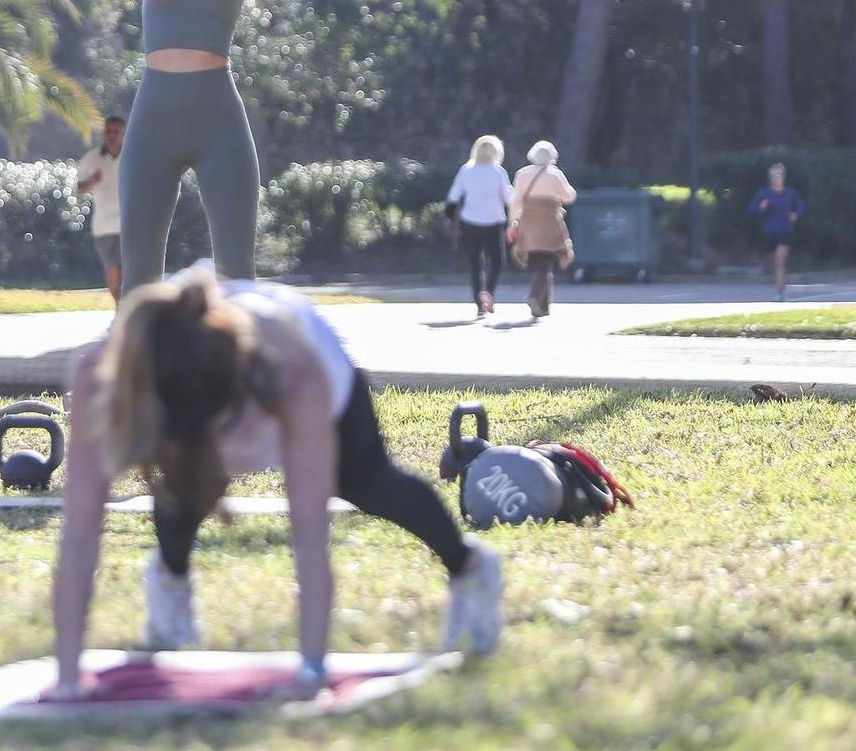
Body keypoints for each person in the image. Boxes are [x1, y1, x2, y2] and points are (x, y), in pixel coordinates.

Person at [62, 0, 483, 294]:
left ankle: (233, 366)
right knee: (138, 279)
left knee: (238, 277)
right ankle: (142, 368)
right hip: (152, 122)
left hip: (218, 123)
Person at [47, 268, 502, 699]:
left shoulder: (295, 375)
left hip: (303, 364)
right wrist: (68, 677)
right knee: (184, 487)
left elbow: (309, 539)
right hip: (203, 388)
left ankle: (470, 568)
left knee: (367, 483)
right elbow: (81, 534)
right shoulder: (100, 376)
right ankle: (170, 582)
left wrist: (312, 671)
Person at [447, 134, 515, 317]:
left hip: (470, 222)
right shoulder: (498, 172)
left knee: (476, 264)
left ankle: (479, 303)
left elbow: (453, 196)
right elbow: (510, 198)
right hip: (494, 222)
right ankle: (489, 294)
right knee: (498, 262)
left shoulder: (466, 170)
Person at [508, 140, 577, 319]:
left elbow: (516, 201)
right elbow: (569, 196)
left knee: (538, 260)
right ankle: (535, 296)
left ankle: (543, 305)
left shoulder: (522, 174)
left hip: (529, 222)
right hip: (549, 221)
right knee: (546, 262)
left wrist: (512, 222)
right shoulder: (555, 175)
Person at [76, 115, 128, 303]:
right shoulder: (91, 158)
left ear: (124, 134)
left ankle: (125, 313)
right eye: (108, 131)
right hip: (103, 227)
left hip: (128, 226)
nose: (112, 135)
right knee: (113, 275)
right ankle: (119, 308)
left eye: (116, 131)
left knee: (128, 274)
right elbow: (79, 190)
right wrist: (92, 181)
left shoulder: (133, 155)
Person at [748, 162, 805, 301]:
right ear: (769, 178)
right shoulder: (764, 193)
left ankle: (778, 293)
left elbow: (800, 206)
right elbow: (751, 210)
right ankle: (781, 286)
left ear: (783, 177)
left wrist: (795, 215)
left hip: (785, 231)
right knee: (774, 263)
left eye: (778, 175)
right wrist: (761, 207)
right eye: (773, 176)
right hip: (769, 232)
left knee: (780, 261)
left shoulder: (790, 193)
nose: (775, 178)